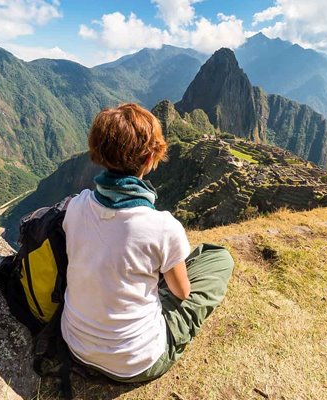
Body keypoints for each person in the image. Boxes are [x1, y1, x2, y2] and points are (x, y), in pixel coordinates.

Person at [60, 103, 234, 383]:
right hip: (135, 363)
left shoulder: (75, 206)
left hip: (75, 345)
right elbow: (181, 292)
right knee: (218, 258)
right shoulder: (162, 226)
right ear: (151, 156)